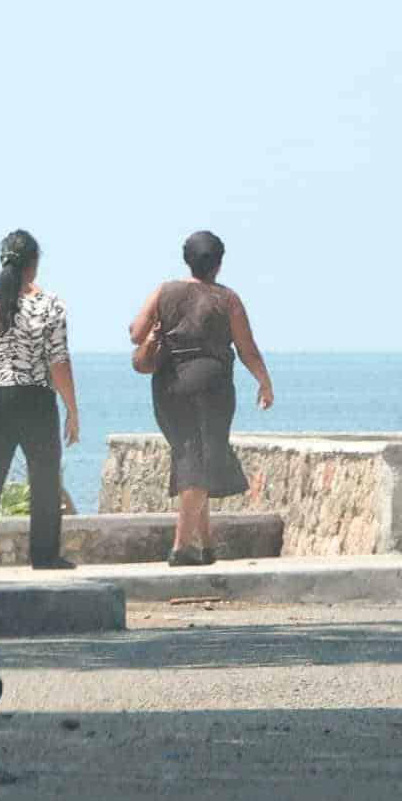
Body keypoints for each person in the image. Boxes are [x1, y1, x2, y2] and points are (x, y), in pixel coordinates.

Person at [130, 232, 275, 568]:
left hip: (169, 384)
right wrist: (264, 382)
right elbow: (246, 347)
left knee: (191, 454)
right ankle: (182, 547)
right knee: (197, 460)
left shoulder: (164, 291)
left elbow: (137, 333)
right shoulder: (227, 299)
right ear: (219, 263)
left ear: (187, 260)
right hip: (213, 386)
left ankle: (206, 544)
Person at [0, 230, 79, 570]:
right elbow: (58, 362)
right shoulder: (50, 304)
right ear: (34, 265)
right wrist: (71, 408)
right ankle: (44, 555)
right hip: (33, 397)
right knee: (45, 476)